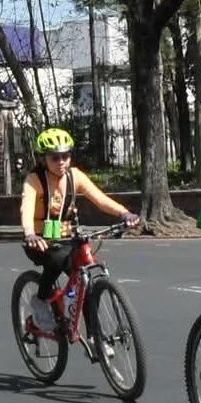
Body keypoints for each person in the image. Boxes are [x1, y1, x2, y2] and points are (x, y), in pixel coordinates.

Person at [20, 127, 140, 332]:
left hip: (68, 237)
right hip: (40, 239)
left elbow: (100, 198)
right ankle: (41, 300)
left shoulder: (75, 176)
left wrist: (124, 213)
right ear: (43, 159)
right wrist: (29, 233)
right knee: (56, 259)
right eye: (54, 158)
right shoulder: (35, 180)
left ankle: (95, 339)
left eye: (65, 156)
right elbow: (26, 207)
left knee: (85, 285)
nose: (61, 162)